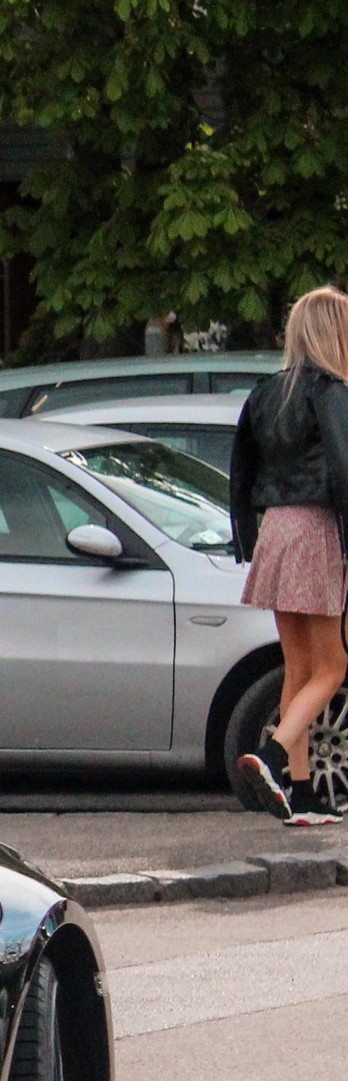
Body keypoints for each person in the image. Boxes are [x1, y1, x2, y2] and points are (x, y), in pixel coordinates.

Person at [236, 285, 348, 824]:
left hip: (275, 530)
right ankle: (275, 754)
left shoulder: (265, 392)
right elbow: (346, 476)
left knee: (298, 667)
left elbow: (241, 471)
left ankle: (299, 795)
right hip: (318, 528)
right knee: (334, 664)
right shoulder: (332, 392)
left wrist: (244, 537)